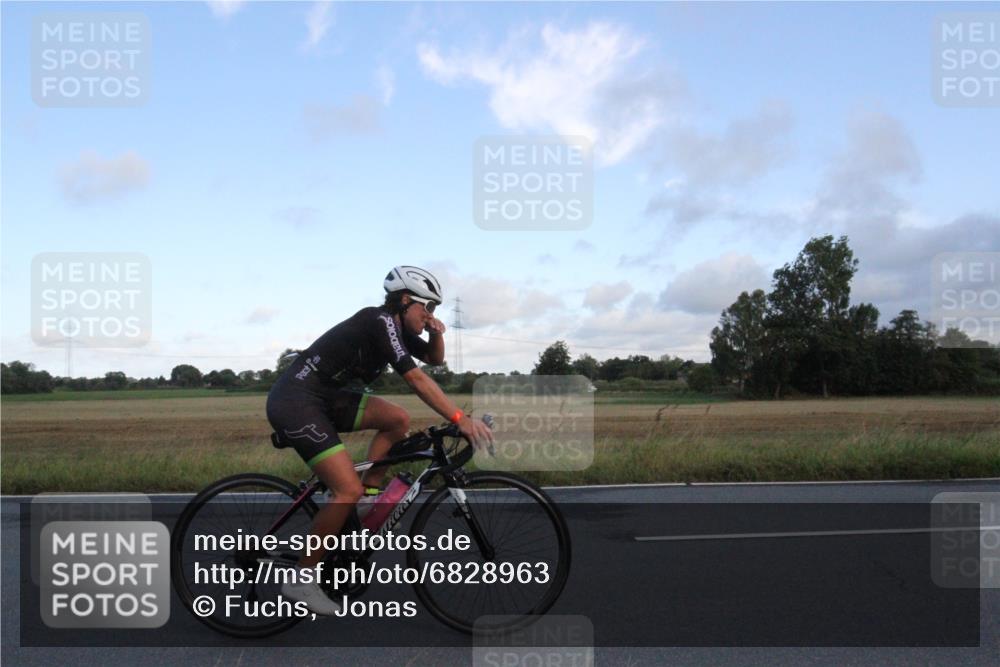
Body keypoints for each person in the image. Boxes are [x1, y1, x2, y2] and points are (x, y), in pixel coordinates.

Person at [265, 265, 494, 615]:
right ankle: (301, 579)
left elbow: (434, 359)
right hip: (296, 401)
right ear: (404, 301)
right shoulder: (380, 321)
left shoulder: (398, 328)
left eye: (434, 310)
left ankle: (367, 497)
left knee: (396, 419)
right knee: (346, 489)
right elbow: (417, 379)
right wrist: (459, 419)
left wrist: (436, 332)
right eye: (426, 308)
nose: (430, 315)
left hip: (326, 398)